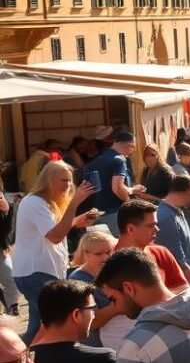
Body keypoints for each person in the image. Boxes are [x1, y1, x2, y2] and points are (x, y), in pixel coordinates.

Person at [13, 162, 97, 342]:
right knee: (44, 325)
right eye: (64, 180)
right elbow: (55, 236)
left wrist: (75, 221)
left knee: (41, 324)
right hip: (36, 272)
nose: (68, 185)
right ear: (48, 181)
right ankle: (20, 358)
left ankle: (25, 358)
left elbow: (51, 230)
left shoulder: (46, 202)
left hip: (41, 272)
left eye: (70, 181)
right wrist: (74, 203)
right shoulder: (36, 202)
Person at [68, 230, 129, 350]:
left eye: (108, 252)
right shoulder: (78, 280)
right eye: (98, 254)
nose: (105, 257)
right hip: (99, 347)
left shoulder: (114, 270)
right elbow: (90, 322)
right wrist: (116, 307)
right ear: (86, 254)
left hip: (123, 340)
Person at [83, 132, 145, 236]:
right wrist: (129, 203)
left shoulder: (95, 161)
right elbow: (117, 188)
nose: (133, 151)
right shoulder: (119, 160)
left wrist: (132, 190)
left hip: (94, 214)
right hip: (113, 213)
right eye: (133, 147)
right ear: (127, 145)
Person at [153, 177, 190, 275]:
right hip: (185, 278)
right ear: (180, 193)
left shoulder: (176, 211)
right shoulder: (167, 217)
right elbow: (178, 258)